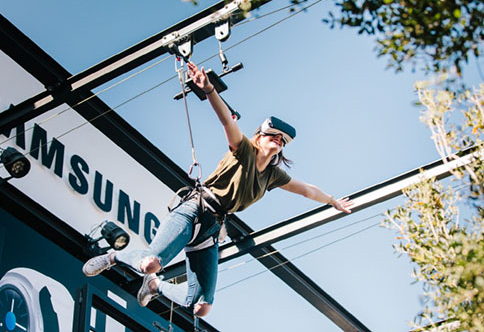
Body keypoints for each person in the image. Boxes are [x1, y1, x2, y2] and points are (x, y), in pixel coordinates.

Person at [82, 61, 354, 318]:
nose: (278, 142)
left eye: (283, 141)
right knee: (150, 262)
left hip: (212, 229)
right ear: (259, 137)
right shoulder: (243, 149)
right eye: (273, 136)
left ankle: (154, 287)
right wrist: (209, 89)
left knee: (200, 306)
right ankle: (113, 256)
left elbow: (306, 189)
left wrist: (332, 201)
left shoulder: (272, 175)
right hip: (194, 210)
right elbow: (227, 121)